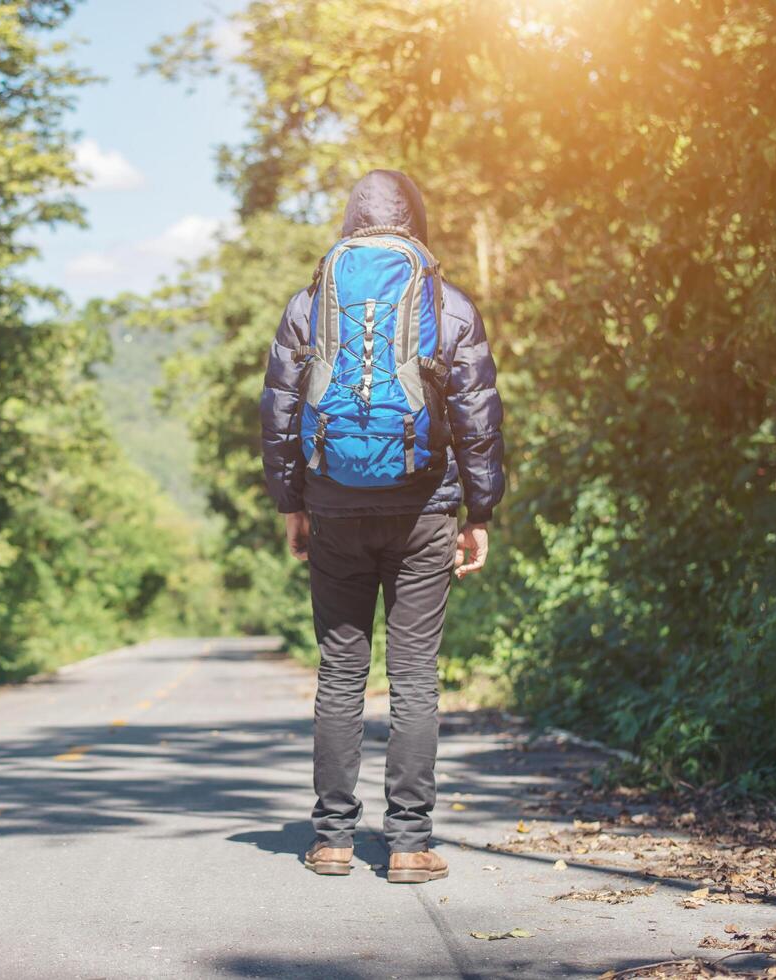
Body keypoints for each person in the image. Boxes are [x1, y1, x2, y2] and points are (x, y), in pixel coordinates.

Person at [258, 169, 505, 884]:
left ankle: (332, 839)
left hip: (332, 507)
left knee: (339, 672)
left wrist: (291, 504)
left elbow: (278, 416)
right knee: (414, 677)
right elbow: (478, 420)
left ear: (348, 222)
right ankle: (406, 844)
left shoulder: (308, 305)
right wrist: (480, 511)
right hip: (425, 507)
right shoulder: (447, 304)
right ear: (414, 221)